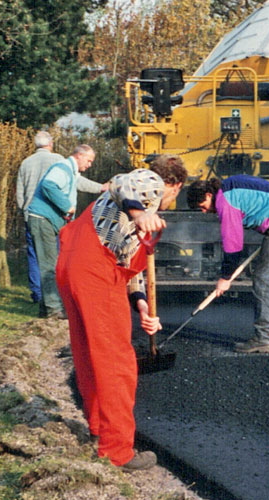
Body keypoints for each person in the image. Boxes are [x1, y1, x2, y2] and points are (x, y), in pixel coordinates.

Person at [56, 155, 188, 472]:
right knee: (117, 362)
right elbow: (121, 181)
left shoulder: (131, 205)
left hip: (73, 267)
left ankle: (100, 428)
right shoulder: (149, 185)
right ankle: (117, 451)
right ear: (177, 186)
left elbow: (129, 267)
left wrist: (141, 305)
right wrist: (141, 214)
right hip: (95, 274)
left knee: (89, 353)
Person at [186, 175, 269, 354]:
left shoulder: (224, 200)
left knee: (263, 279)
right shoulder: (229, 188)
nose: (204, 211)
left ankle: (263, 339)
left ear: (209, 195)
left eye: (202, 206)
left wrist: (225, 277)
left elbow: (233, 245)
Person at [16, 131, 104, 307]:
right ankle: (54, 306)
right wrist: (68, 205)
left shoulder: (26, 163)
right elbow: (54, 185)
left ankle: (40, 297)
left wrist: (25, 211)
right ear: (50, 144)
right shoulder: (60, 162)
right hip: (46, 218)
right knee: (52, 263)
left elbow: (20, 192)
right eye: (88, 161)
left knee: (38, 258)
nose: (90, 165)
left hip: (34, 216)